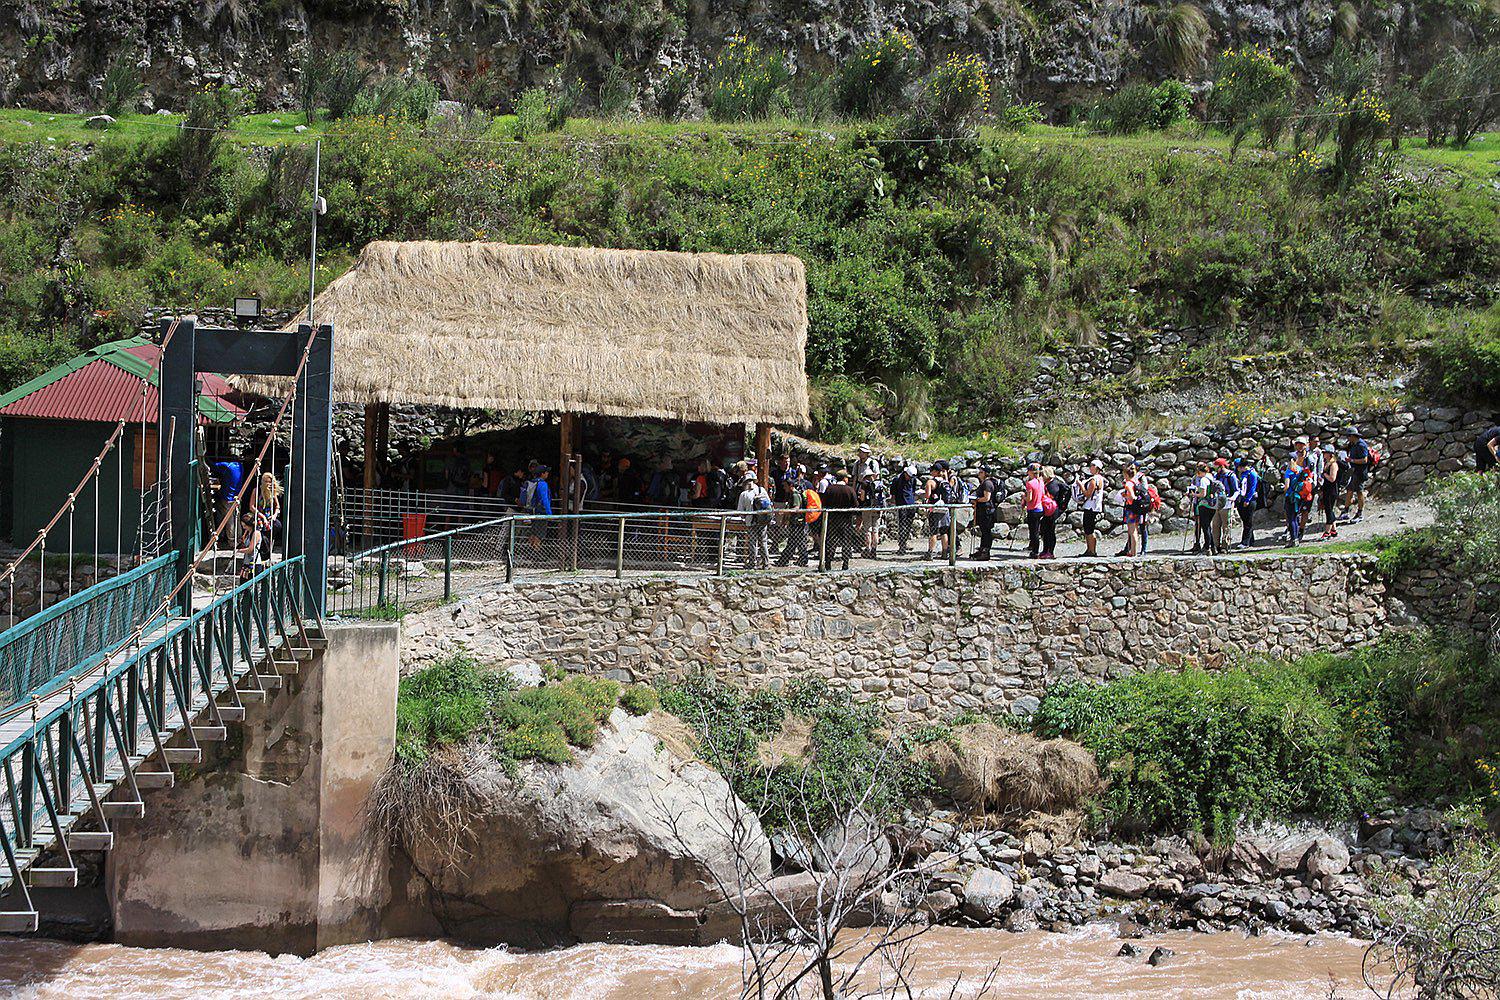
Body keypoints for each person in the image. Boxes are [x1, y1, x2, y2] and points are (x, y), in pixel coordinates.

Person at [821, 471, 858, 570]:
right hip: (846, 521)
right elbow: (855, 505)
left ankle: (828, 563)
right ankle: (845, 563)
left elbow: (824, 503)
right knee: (846, 542)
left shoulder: (830, 489)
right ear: (844, 478)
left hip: (832, 520)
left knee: (830, 542)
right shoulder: (850, 490)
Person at [736, 473, 771, 569]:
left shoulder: (744, 494)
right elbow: (768, 504)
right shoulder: (761, 490)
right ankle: (766, 563)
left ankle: (752, 563)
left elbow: (740, 511)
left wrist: (744, 516)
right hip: (762, 521)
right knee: (763, 542)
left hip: (750, 521)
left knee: (752, 543)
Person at [776, 477, 812, 567]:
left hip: (798, 523)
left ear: (790, 485)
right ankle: (786, 560)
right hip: (795, 522)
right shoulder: (791, 494)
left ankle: (786, 560)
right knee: (795, 542)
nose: (784, 488)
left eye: (785, 486)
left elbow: (796, 508)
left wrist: (784, 512)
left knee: (797, 543)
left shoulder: (795, 495)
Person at [968, 465, 999, 561]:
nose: (979, 474)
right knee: (984, 531)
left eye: (981, 472)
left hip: (987, 511)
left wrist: (976, 500)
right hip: (983, 511)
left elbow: (987, 498)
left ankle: (985, 552)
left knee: (986, 532)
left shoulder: (987, 483)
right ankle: (982, 550)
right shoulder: (985, 483)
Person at [925, 462, 955, 560]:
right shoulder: (945, 481)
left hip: (935, 509)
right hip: (945, 509)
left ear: (935, 471)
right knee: (944, 532)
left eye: (932, 470)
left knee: (933, 532)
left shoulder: (930, 482)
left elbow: (927, 496)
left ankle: (930, 553)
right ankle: (945, 553)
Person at [1079, 459, 1106, 558]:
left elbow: (1088, 494)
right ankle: (1090, 549)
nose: (1090, 467)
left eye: (1092, 465)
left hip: (1091, 507)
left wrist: (1081, 486)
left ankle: (1092, 550)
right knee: (1089, 528)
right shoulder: (1100, 478)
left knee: (1089, 529)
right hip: (1095, 507)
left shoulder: (1094, 479)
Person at [1191, 462, 1219, 556]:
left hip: (1204, 505)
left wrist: (1194, 494)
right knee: (1208, 527)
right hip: (1213, 504)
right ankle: (1213, 547)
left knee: (1205, 527)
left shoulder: (1203, 480)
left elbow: (1203, 494)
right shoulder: (1211, 477)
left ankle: (1207, 548)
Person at [857, 470, 887, 558]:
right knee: (875, 530)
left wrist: (860, 496)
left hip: (867, 508)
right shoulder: (878, 484)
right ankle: (874, 549)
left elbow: (862, 498)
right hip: (877, 509)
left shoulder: (864, 484)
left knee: (868, 530)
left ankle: (868, 548)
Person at [1040, 466, 1068, 559]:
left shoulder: (1054, 484)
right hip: (1048, 510)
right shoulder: (1048, 482)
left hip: (1052, 509)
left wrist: (1062, 505)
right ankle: (1045, 550)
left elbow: (1065, 491)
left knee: (1050, 531)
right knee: (1044, 529)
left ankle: (1050, 551)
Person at [1342, 428, 1369, 523]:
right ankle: (1345, 511)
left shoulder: (1361, 445)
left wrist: (1352, 461)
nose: (1348, 438)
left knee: (1359, 492)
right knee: (1350, 490)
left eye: (1349, 436)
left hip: (1360, 472)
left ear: (1353, 436)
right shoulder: (1353, 444)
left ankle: (1360, 513)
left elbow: (1365, 460)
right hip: (1354, 471)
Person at [891, 465, 919, 554]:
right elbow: (893, 494)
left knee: (908, 526)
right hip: (901, 505)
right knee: (902, 526)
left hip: (911, 506)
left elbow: (913, 491)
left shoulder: (913, 480)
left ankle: (905, 542)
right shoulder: (897, 480)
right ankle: (902, 546)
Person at [1283, 453, 1310, 546]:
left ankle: (1293, 539)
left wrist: (1284, 489)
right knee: (1295, 517)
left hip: (1290, 497)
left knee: (1291, 519)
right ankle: (1296, 539)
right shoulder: (1300, 469)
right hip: (1299, 497)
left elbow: (1287, 486)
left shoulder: (1289, 471)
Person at [1233, 457, 1259, 549]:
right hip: (1241, 499)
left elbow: (1252, 488)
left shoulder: (1252, 474)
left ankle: (1245, 542)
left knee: (1248, 521)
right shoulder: (1242, 473)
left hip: (1250, 500)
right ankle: (1251, 541)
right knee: (1245, 520)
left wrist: (1247, 500)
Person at [1212, 457, 1237, 552]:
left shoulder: (1231, 476)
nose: (1215, 469)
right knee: (1215, 524)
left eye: (1216, 467)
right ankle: (1215, 545)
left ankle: (1225, 546)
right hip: (1216, 503)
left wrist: (1232, 498)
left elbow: (1236, 490)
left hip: (1227, 503)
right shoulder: (1216, 476)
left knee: (1226, 525)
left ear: (1221, 466)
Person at [1022, 463, 1045, 560]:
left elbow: (1029, 498)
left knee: (1034, 531)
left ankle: (1035, 551)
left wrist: (1023, 497)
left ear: (1031, 472)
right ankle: (1035, 550)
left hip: (1032, 509)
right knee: (1036, 530)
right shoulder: (1041, 482)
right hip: (1040, 508)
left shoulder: (1030, 483)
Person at [1121, 463, 1144, 557]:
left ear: (1126, 475)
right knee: (1135, 531)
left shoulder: (1128, 484)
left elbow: (1132, 497)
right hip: (1137, 509)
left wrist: (1125, 496)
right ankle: (1133, 551)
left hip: (1131, 509)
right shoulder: (1136, 483)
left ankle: (1133, 552)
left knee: (1132, 531)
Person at [1318, 444, 1341, 539]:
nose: (1324, 454)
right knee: (1329, 509)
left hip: (1331, 491)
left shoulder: (1333, 464)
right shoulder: (1327, 464)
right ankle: (1334, 530)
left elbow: (1332, 478)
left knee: (1329, 510)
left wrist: (1324, 475)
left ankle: (1327, 531)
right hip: (1327, 490)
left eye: (1325, 453)